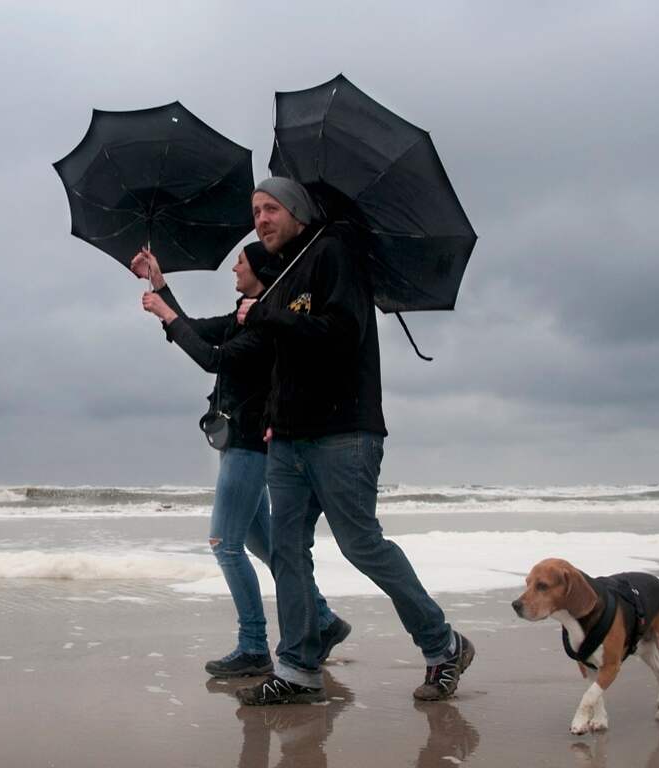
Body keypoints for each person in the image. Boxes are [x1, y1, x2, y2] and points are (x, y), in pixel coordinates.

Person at [233, 178, 474, 705]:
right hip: (290, 438)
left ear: (297, 211)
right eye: (255, 211)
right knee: (288, 551)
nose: (261, 219)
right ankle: (297, 669)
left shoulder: (335, 252)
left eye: (271, 208)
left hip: (344, 433)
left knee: (361, 544)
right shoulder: (287, 272)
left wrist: (270, 315)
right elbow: (284, 360)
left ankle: (444, 645)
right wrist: (273, 415)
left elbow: (341, 334)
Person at [131, 242, 350, 678]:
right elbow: (196, 328)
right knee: (262, 545)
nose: (233, 267)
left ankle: (253, 646)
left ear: (261, 273)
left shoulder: (266, 325)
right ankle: (323, 621)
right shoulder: (243, 317)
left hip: (251, 444)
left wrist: (164, 313)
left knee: (223, 545)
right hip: (242, 445)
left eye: (241, 263)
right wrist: (159, 284)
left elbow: (212, 359)